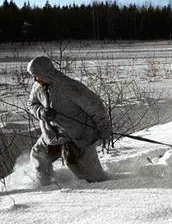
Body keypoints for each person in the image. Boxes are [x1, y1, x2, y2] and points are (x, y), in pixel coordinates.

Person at [27, 56, 111, 186]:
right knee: (38, 155)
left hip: (79, 137)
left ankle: (107, 188)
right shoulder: (37, 86)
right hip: (51, 136)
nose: (35, 79)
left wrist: (104, 127)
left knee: (93, 179)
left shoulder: (69, 86)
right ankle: (45, 186)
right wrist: (41, 112)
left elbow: (96, 106)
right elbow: (32, 104)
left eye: (36, 75)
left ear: (45, 73)